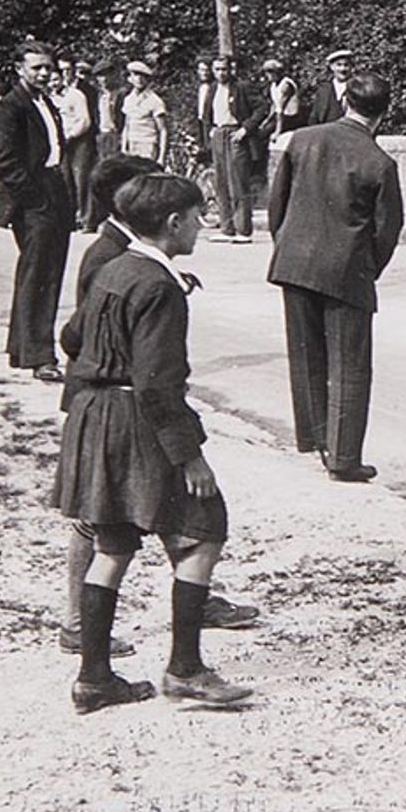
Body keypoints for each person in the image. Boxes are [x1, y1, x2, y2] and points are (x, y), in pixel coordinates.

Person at [53, 170, 254, 713]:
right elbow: (159, 387)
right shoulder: (159, 286)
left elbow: (72, 338)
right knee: (204, 528)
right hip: (135, 420)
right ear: (172, 223)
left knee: (112, 543)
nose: (200, 226)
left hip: (92, 418)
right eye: (195, 217)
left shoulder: (115, 267)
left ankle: (94, 678)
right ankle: (185, 669)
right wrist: (190, 458)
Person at [266, 72, 404, 483]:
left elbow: (278, 206)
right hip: (346, 271)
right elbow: (387, 229)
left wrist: (287, 246)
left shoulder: (302, 140)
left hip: (294, 263)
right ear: (384, 112)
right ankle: (344, 458)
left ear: (346, 102)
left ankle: (318, 440)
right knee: (350, 365)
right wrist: (366, 269)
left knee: (306, 354)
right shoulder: (380, 162)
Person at [0, 38, 75, 382]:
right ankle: (41, 357)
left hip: (53, 189)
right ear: (19, 69)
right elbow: (4, 161)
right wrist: (36, 199)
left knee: (43, 273)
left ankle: (24, 349)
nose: (43, 73)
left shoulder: (45, 103)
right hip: (34, 198)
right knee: (40, 275)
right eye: (36, 68)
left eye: (47, 67)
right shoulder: (10, 108)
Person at [200, 54, 264, 243]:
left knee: (238, 181)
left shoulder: (241, 87)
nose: (221, 73)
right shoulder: (212, 89)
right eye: (217, 69)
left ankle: (243, 230)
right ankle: (226, 228)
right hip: (219, 134)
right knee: (221, 182)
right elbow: (206, 114)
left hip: (236, 134)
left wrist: (245, 128)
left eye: (224, 69)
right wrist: (211, 130)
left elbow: (261, 108)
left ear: (231, 70)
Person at [50, 61, 98, 231]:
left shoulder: (76, 95)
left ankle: (87, 220)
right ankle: (69, 220)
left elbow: (85, 120)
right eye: (52, 80)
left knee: (82, 180)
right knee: (64, 181)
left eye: (58, 78)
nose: (54, 83)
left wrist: (70, 135)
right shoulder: (50, 98)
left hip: (79, 141)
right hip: (61, 143)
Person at [118, 60, 169, 166]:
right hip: (132, 144)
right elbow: (127, 126)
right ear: (130, 78)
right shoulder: (128, 99)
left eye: (143, 76)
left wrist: (161, 157)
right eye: (136, 75)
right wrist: (124, 147)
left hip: (147, 144)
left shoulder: (155, 101)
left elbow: (163, 130)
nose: (139, 79)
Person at [302, 49, 353, 127]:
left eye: (346, 65)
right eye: (339, 65)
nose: (342, 69)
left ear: (350, 67)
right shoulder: (324, 89)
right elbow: (315, 115)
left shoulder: (356, 88)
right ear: (332, 67)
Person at [261, 57, 303, 144]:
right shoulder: (273, 85)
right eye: (267, 72)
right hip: (280, 117)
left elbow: (280, 109)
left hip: (291, 118)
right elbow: (274, 105)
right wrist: (266, 120)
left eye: (271, 72)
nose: (268, 75)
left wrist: (277, 131)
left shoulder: (286, 85)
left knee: (264, 135)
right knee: (259, 131)